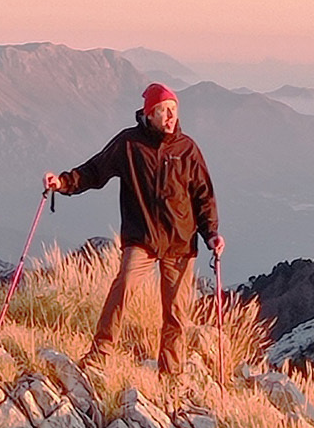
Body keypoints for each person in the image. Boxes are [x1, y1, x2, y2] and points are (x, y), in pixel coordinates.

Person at [44, 83, 224, 376]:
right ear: (149, 114)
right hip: (142, 238)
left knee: (177, 313)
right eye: (163, 110)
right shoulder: (129, 144)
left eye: (173, 110)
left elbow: (203, 195)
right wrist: (62, 183)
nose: (170, 116)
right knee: (124, 286)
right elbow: (94, 171)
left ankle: (171, 375)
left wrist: (211, 233)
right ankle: (99, 355)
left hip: (180, 241)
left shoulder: (187, 148)